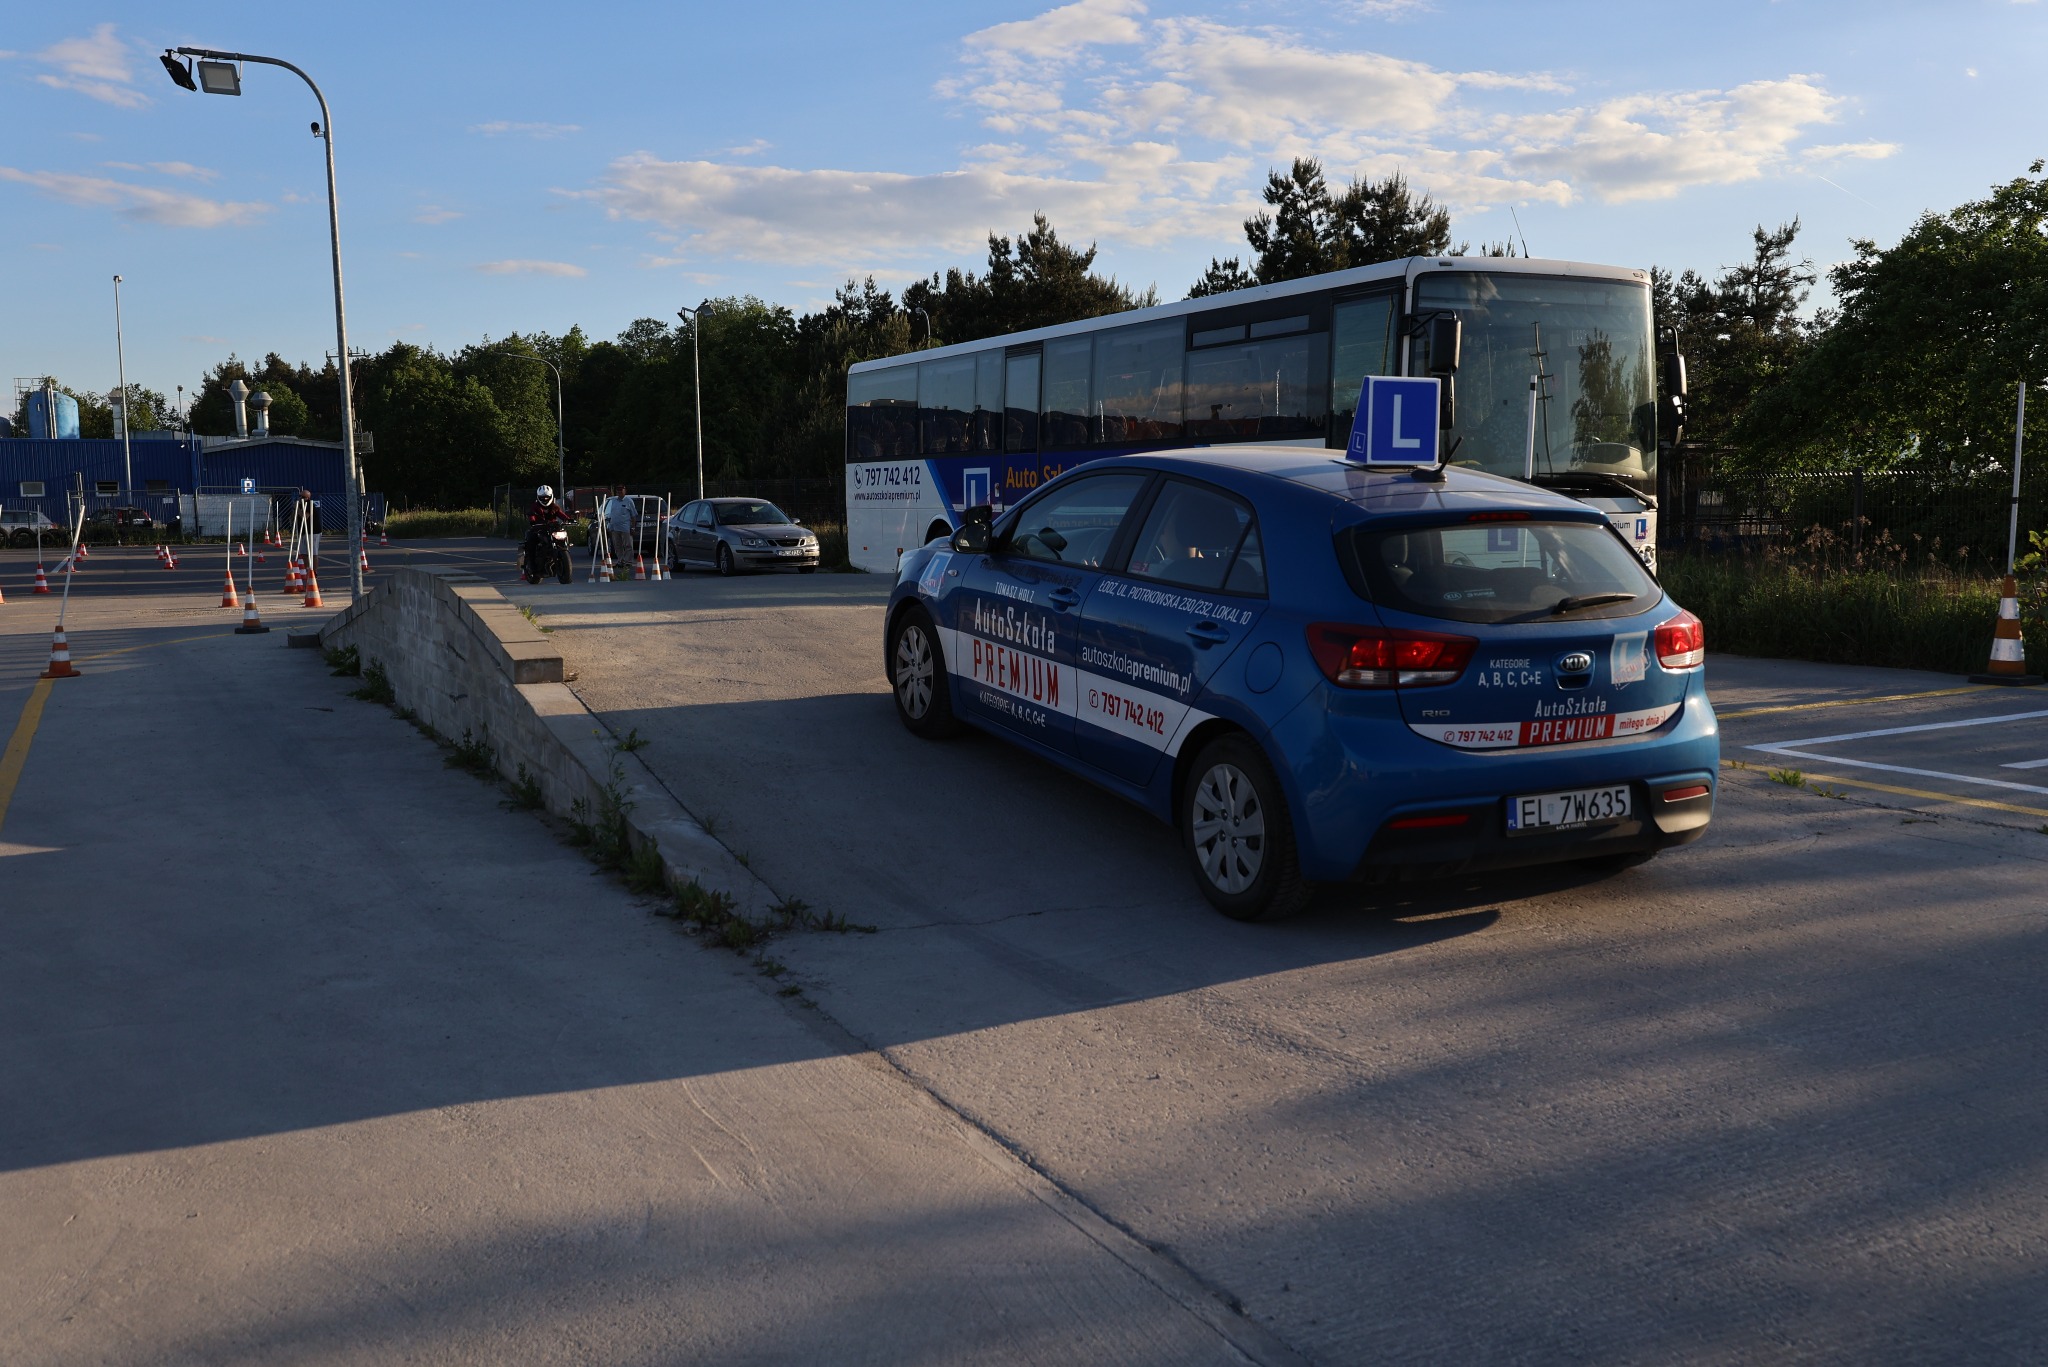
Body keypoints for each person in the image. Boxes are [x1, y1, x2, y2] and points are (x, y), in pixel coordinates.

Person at [522, 485, 569, 575]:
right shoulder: (535, 506)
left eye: (547, 497)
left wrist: (568, 520)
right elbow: (531, 514)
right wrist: (532, 520)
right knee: (531, 540)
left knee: (562, 537)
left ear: (551, 496)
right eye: (542, 498)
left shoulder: (554, 507)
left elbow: (561, 515)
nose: (545, 499)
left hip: (553, 529)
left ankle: (561, 557)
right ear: (538, 497)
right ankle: (532, 566)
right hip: (538, 529)